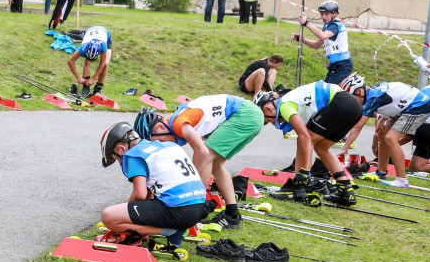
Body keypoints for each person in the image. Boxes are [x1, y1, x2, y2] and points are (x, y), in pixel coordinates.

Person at [132, 93, 265, 229]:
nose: (161, 145)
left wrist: (190, 179)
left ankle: (198, 207)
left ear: (160, 127)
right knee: (216, 164)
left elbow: (202, 152)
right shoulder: (178, 120)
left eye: (159, 141)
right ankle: (232, 214)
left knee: (206, 156)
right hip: (251, 114)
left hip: (245, 114)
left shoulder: (178, 123)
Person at [99, 122, 208, 249]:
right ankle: (172, 228)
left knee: (108, 216)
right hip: (199, 206)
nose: (120, 162)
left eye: (117, 159)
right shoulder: (167, 145)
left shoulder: (133, 154)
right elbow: (149, 192)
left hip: (179, 211)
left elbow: (141, 194)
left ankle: (172, 231)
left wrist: (127, 215)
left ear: (122, 149)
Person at [254, 81, 363, 205]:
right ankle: (346, 190)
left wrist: (303, 174)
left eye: (267, 119)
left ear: (268, 108)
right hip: (354, 106)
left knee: (305, 138)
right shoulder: (289, 100)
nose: (272, 124)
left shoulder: (284, 105)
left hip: (341, 102)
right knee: (321, 147)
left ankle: (298, 185)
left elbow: (305, 137)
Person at [340, 76, 430, 187]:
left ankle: (402, 180)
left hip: (419, 107)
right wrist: (385, 117)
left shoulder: (373, 98)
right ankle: (381, 172)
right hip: (408, 106)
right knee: (383, 134)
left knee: (390, 138)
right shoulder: (373, 92)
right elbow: (395, 99)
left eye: (351, 96)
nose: (351, 101)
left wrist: (345, 148)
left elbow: (357, 127)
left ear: (359, 91)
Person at [291, 0, 353, 84]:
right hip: (334, 64)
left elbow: (322, 36)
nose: (323, 17)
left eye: (327, 14)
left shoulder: (335, 26)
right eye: (322, 14)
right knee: (326, 89)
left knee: (330, 91)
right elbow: (317, 45)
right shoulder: (328, 27)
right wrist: (301, 39)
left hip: (343, 65)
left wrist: (306, 23)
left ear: (335, 14)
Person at [67, 25, 111, 98]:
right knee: (87, 61)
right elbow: (70, 61)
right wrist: (78, 77)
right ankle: (86, 86)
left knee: (106, 63)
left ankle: (98, 88)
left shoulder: (103, 45)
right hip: (90, 33)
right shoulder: (83, 47)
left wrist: (93, 79)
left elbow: (102, 63)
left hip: (105, 34)